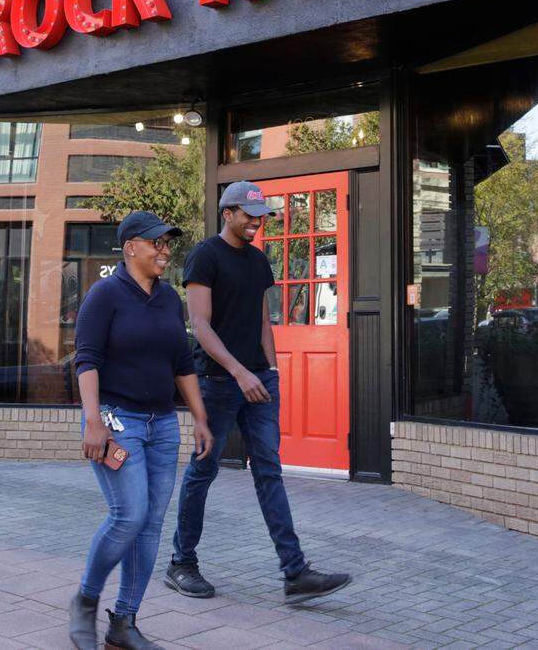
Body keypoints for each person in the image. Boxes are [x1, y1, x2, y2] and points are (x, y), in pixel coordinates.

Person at [164, 181, 351, 605]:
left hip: (258, 380)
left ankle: (295, 572)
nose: (255, 222)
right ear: (227, 213)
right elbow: (201, 325)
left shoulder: (258, 261)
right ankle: (181, 563)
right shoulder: (205, 256)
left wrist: (269, 370)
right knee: (203, 471)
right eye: (248, 214)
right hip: (216, 382)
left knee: (269, 471)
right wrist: (239, 371)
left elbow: (262, 320)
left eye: (260, 215)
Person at [69, 210, 214, 650]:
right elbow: (86, 360)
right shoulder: (105, 295)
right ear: (131, 246)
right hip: (117, 421)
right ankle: (86, 600)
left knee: (150, 525)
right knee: (128, 516)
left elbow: (183, 363)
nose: (165, 251)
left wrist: (200, 418)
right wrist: (94, 422)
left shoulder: (170, 298)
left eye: (168, 243)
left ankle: (124, 621)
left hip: (163, 425)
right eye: (157, 243)